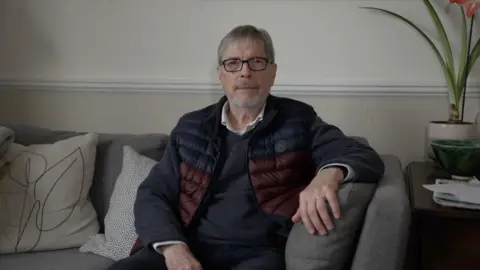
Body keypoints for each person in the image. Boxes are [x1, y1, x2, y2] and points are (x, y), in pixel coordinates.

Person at [108, 24, 385, 270]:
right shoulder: (191, 127)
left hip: (258, 254)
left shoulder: (298, 119)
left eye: (256, 61)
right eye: (233, 63)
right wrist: (172, 248)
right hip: (187, 245)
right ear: (220, 75)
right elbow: (152, 194)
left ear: (273, 72)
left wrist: (329, 174)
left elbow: (362, 155)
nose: (245, 72)